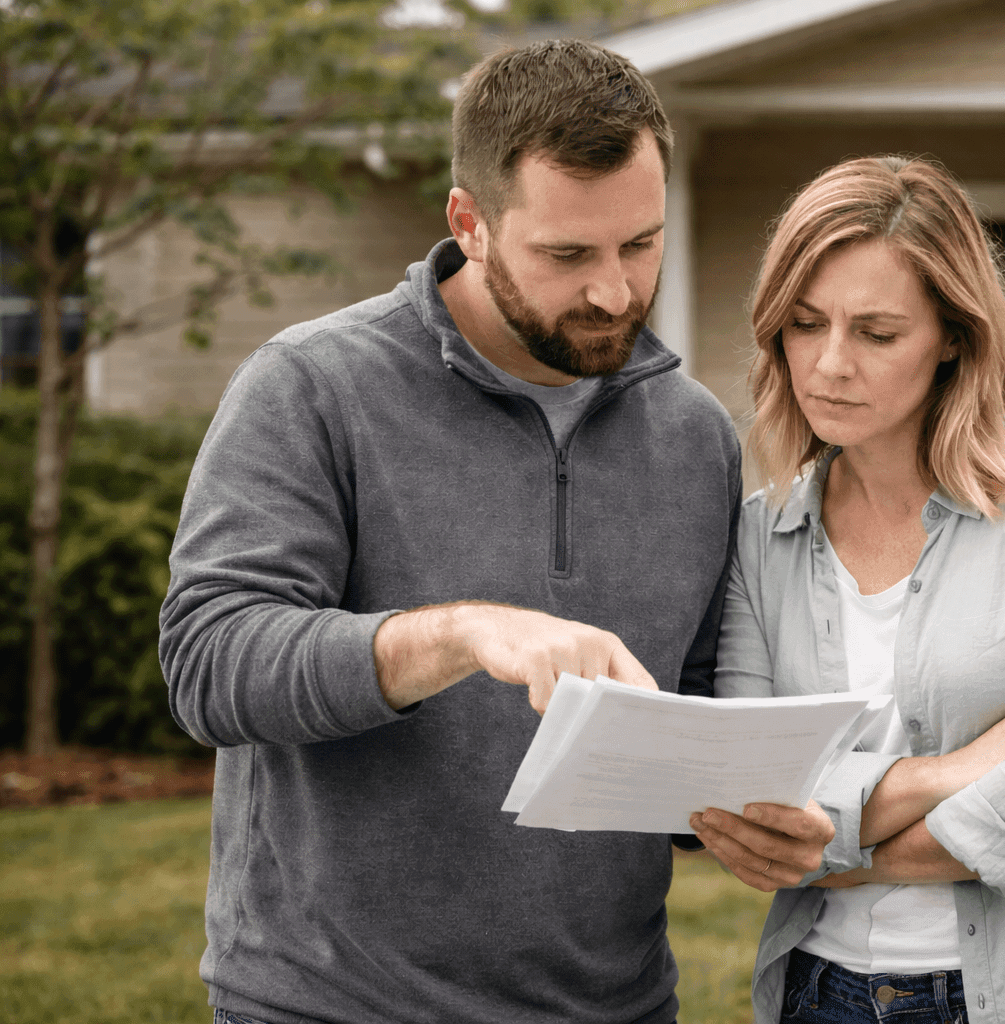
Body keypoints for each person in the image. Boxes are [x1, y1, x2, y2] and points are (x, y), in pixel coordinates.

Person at [159, 39, 831, 1024]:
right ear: (469, 224)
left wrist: (739, 815)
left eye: (639, 243)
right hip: (334, 1003)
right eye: (567, 255)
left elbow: (676, 710)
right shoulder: (312, 387)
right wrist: (463, 635)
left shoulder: (693, 435)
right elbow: (209, 662)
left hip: (616, 1004)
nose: (615, 291)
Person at [687, 156, 1005, 1024]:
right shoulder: (758, 536)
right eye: (806, 325)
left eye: (877, 334)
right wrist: (948, 773)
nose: (830, 365)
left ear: (955, 335)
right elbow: (757, 806)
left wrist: (832, 839)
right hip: (822, 996)